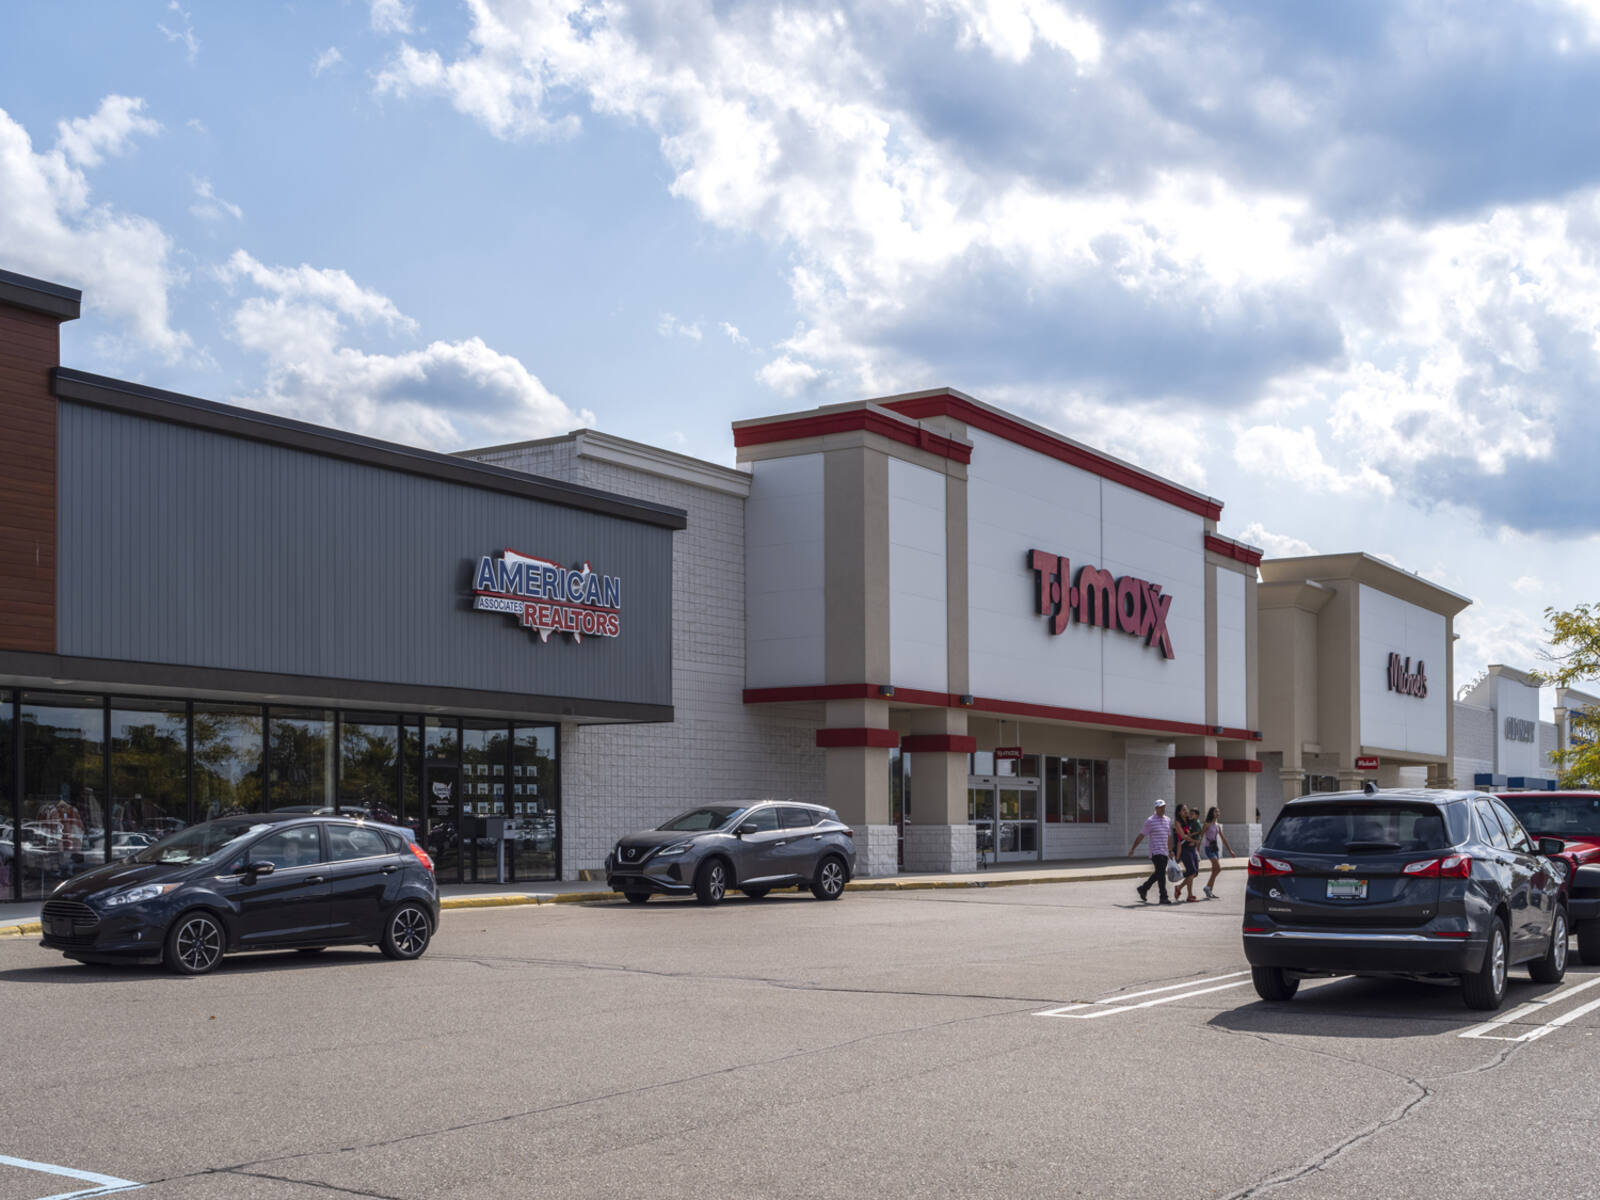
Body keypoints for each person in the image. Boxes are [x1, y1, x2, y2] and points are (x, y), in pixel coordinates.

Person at [1128, 798, 1174, 905]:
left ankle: (1143, 888)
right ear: (1156, 808)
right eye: (1160, 808)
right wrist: (1133, 849)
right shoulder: (1150, 821)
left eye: (1164, 807)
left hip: (1164, 852)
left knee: (1159, 873)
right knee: (1161, 874)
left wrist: (1170, 850)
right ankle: (1163, 897)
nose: (1163, 809)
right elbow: (1141, 835)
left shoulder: (1167, 820)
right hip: (1155, 852)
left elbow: (1168, 837)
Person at [1201, 806, 1236, 899]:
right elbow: (1200, 837)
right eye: (1216, 811)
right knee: (1218, 868)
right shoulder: (1207, 824)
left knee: (1215, 870)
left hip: (1215, 848)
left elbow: (1223, 839)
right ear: (1212, 813)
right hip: (1208, 848)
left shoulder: (1217, 825)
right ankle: (1207, 887)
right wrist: (1196, 850)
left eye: (1218, 811)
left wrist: (1230, 850)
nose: (1218, 813)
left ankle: (1209, 891)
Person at [1172, 804, 1202, 902]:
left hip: (1192, 848)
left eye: (1186, 809)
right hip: (1184, 848)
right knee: (1191, 871)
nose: (1186, 811)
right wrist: (1194, 840)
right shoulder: (1177, 822)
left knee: (1195, 872)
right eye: (1183, 810)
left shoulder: (1190, 820)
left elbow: (1197, 830)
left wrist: (1196, 840)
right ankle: (1189, 896)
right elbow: (1183, 836)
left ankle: (1179, 888)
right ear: (1179, 812)